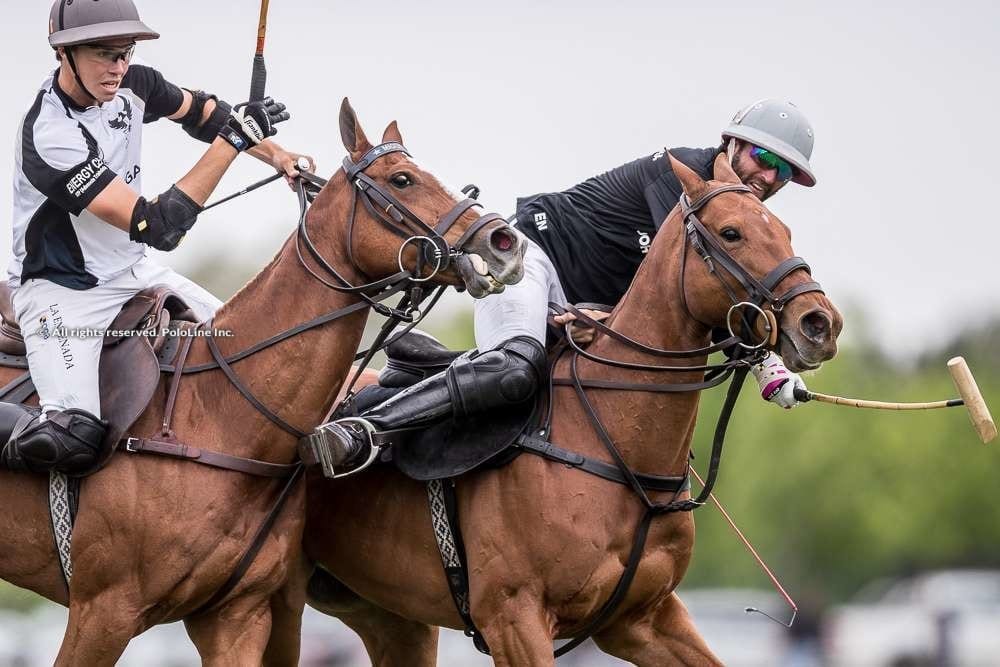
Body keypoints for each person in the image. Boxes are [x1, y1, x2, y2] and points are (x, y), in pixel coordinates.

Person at [302, 99, 816, 471]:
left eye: (784, 173)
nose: (769, 178)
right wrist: (764, 361)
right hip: (533, 258)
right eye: (763, 159)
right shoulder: (686, 176)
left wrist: (766, 363)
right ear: (732, 143)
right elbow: (688, 287)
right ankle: (364, 429)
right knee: (514, 369)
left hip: (584, 303)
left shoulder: (740, 220)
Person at [0, 0, 314, 474]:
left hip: (134, 271)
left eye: (124, 52)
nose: (118, 67)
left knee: (253, 356)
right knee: (74, 438)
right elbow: (156, 225)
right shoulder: (49, 133)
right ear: (64, 54)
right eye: (103, 54)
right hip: (61, 293)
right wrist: (233, 141)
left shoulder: (134, 83)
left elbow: (205, 113)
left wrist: (278, 156)